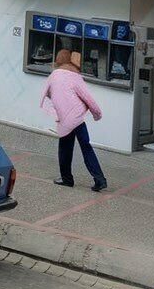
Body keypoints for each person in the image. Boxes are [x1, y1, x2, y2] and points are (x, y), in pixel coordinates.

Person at [40, 48, 107, 192]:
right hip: (77, 118)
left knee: (65, 148)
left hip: (64, 119)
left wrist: (55, 114)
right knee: (86, 147)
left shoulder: (53, 76)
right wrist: (97, 114)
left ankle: (67, 179)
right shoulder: (75, 77)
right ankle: (99, 179)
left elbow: (45, 98)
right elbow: (87, 98)